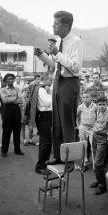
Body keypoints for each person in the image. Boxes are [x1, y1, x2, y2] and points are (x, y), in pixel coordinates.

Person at [34, 10, 83, 165]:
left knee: (67, 123)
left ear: (66, 25)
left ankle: (69, 160)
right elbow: (55, 65)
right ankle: (58, 155)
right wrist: (41, 55)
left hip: (69, 83)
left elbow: (75, 67)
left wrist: (57, 53)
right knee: (57, 122)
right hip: (57, 81)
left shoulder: (76, 41)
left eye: (56, 24)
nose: (53, 26)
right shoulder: (58, 41)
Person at [90, 96, 108, 195]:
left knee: (98, 163)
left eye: (103, 104)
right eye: (99, 104)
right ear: (97, 105)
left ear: (107, 105)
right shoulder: (97, 111)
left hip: (103, 139)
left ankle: (102, 185)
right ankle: (98, 179)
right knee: (95, 160)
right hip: (95, 136)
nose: (101, 106)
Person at [0, 73, 24, 157]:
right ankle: (4, 151)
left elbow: (21, 99)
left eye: (12, 79)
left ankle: (17, 150)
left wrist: (10, 98)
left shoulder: (17, 89)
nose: (10, 80)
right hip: (7, 112)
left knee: (17, 132)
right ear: (5, 81)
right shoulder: (2, 90)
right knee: (6, 132)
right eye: (8, 79)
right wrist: (15, 99)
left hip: (17, 111)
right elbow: (5, 101)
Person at [35, 77, 52, 175]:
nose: (51, 82)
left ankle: (43, 164)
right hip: (43, 115)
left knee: (46, 142)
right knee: (45, 142)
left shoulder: (44, 89)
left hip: (47, 115)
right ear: (44, 80)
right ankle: (40, 166)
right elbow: (47, 103)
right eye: (50, 80)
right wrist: (49, 93)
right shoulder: (42, 89)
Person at [77, 90, 97, 170]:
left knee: (93, 146)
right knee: (83, 145)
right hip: (83, 127)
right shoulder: (80, 107)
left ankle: (95, 165)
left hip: (92, 128)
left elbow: (98, 117)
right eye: (84, 97)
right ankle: (84, 162)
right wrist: (79, 126)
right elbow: (77, 116)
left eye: (87, 97)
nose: (85, 99)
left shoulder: (95, 106)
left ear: (91, 98)